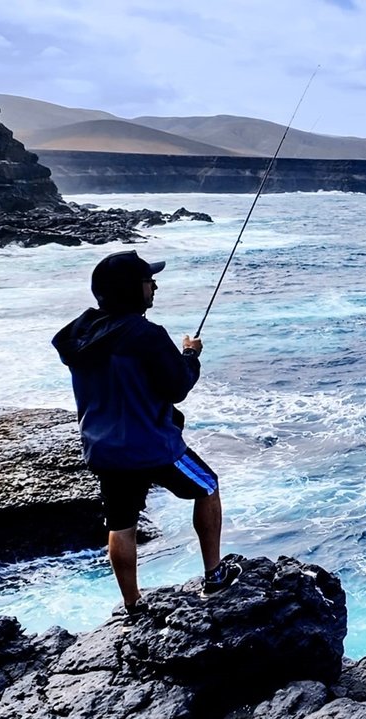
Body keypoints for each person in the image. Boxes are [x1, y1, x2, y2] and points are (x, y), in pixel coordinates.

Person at [52, 250, 240, 617]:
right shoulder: (146, 334)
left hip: (104, 448)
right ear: (131, 289)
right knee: (207, 486)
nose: (154, 286)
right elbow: (177, 386)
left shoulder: (79, 333)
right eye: (148, 281)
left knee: (121, 523)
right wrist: (190, 354)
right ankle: (214, 575)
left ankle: (132, 604)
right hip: (151, 444)